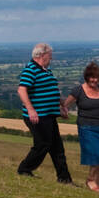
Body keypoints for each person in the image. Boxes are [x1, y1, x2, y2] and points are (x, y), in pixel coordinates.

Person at [16, 44, 73, 184]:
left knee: (57, 148)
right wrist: (30, 109)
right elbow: (21, 90)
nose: (52, 57)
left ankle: (64, 179)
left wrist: (62, 106)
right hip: (38, 116)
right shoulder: (30, 70)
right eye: (50, 55)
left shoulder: (46, 70)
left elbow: (53, 89)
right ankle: (24, 169)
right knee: (43, 144)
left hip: (49, 115)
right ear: (41, 55)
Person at [63, 63, 99, 194]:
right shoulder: (78, 90)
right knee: (97, 154)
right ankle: (90, 181)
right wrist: (63, 112)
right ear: (87, 77)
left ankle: (97, 185)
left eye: (97, 78)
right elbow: (65, 105)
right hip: (87, 127)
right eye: (92, 77)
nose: (95, 80)